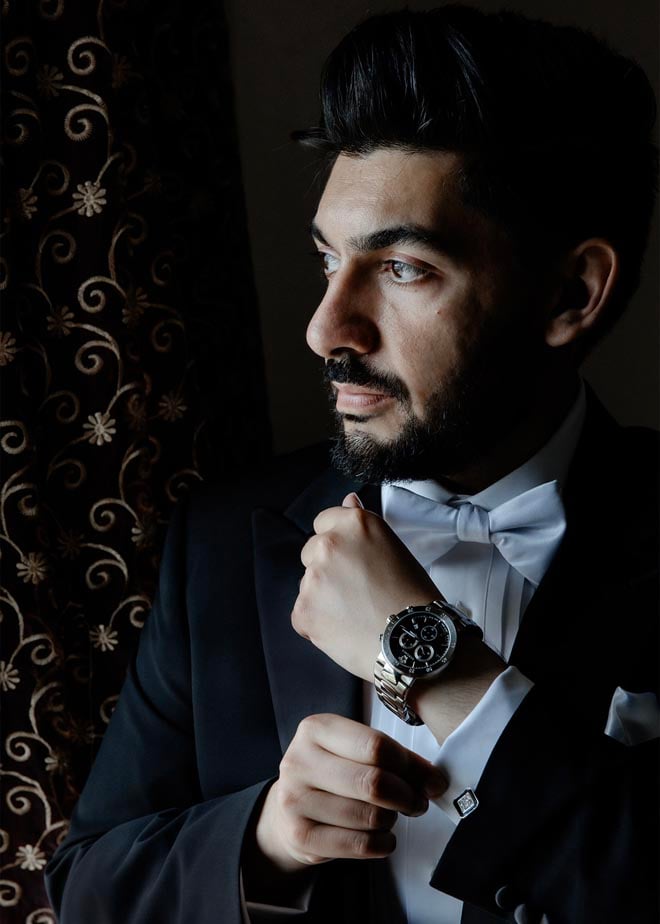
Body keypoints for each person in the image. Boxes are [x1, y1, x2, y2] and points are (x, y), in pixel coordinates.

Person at [45, 6, 659, 923]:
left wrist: (437, 665)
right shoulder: (222, 541)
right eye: (328, 259)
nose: (327, 328)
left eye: (404, 267)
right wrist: (265, 840)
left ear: (571, 295)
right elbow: (87, 889)